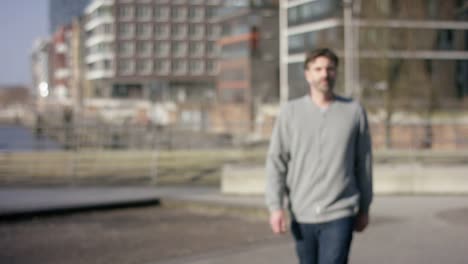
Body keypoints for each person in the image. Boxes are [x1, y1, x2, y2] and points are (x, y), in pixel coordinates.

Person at [265, 48, 373, 264]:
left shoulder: (353, 112)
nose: (324, 74)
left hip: (340, 211)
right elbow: (276, 161)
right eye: (318, 69)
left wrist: (364, 207)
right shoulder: (290, 113)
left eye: (330, 69)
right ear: (307, 74)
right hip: (302, 211)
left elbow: (364, 163)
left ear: (336, 73)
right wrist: (275, 206)